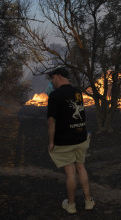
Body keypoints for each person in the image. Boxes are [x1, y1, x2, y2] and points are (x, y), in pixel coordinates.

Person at [46, 67, 95, 214]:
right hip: (80, 137)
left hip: (64, 140)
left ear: (59, 77)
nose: (52, 81)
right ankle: (88, 201)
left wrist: (51, 142)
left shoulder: (55, 95)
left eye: (53, 78)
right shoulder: (77, 92)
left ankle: (71, 205)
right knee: (81, 167)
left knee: (70, 173)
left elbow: (51, 122)